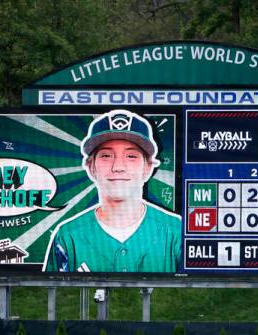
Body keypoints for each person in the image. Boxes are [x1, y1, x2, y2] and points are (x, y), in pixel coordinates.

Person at [44, 110, 181, 273]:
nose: (118, 167)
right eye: (106, 156)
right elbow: (53, 295)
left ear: (148, 168)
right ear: (90, 167)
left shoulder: (175, 230)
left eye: (131, 156)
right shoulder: (68, 235)